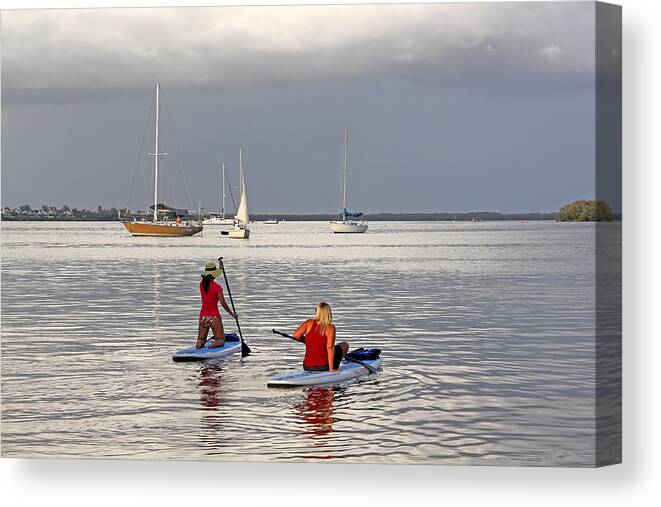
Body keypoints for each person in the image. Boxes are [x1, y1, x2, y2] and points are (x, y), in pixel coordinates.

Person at [292, 302, 349, 372]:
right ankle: (336, 366)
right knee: (345, 345)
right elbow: (330, 348)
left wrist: (306, 340)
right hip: (324, 367)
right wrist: (331, 369)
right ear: (328, 313)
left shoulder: (308, 323)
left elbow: (295, 336)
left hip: (307, 367)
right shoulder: (330, 328)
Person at [196, 262, 237, 349]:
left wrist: (220, 269)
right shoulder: (217, 287)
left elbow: (209, 279)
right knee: (220, 340)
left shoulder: (201, 285)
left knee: (201, 339)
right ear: (214, 275)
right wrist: (233, 314)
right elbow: (223, 303)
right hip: (214, 317)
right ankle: (210, 347)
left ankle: (199, 346)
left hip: (203, 316)